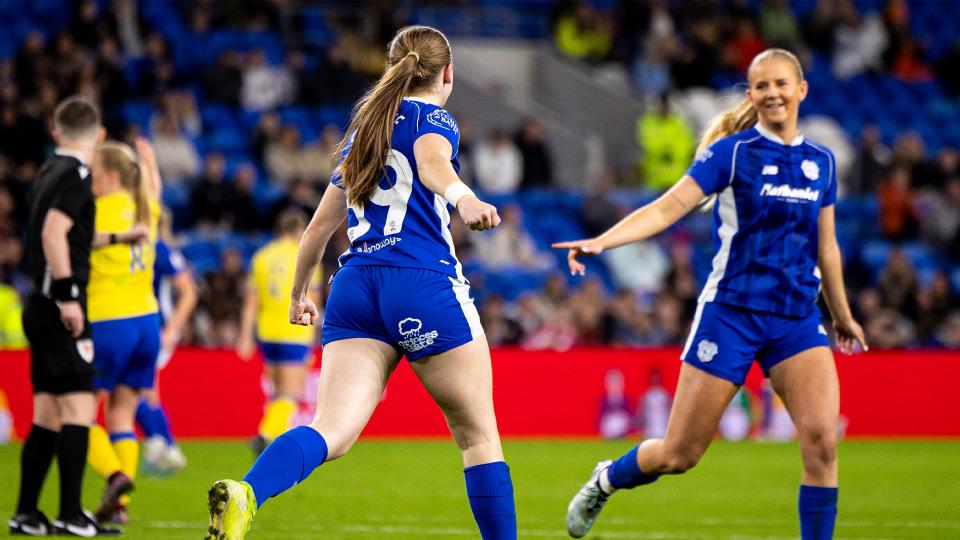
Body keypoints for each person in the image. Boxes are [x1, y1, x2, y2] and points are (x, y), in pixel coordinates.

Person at [205, 25, 516, 540]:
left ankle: (250, 492)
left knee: (330, 429)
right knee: (478, 437)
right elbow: (434, 163)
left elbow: (318, 229)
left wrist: (298, 293)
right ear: (448, 73)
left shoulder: (362, 131)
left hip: (355, 289)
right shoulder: (433, 117)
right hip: (421, 281)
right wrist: (464, 198)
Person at [555, 49, 867, 540]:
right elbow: (666, 208)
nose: (773, 93)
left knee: (823, 443)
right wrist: (601, 241)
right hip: (732, 315)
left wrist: (842, 315)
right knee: (680, 454)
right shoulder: (732, 154)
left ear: (802, 89)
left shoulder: (821, 163)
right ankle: (607, 478)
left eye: (782, 83)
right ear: (751, 95)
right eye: (762, 86)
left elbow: (826, 246)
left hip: (796, 320)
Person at [11, 96, 121, 536]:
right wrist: (69, 294)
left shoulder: (44, 174)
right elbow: (54, 234)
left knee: (47, 413)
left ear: (56, 134)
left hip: (37, 305)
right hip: (60, 306)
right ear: (99, 136)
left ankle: (26, 513)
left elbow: (64, 234)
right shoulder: (77, 173)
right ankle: (72, 515)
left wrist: (117, 236)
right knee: (78, 405)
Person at [84, 137, 162, 525]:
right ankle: (119, 508)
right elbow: (153, 188)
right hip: (148, 322)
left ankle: (115, 478)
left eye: (94, 173)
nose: (90, 180)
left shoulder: (94, 210)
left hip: (107, 320)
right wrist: (148, 162)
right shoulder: (148, 207)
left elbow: (72, 241)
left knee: (79, 414)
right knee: (121, 416)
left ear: (110, 175)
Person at [237, 210, 320, 456]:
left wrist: (245, 335)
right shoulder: (305, 255)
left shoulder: (261, 257)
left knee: (277, 392)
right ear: (298, 231)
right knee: (290, 393)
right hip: (294, 332)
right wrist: (315, 335)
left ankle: (272, 436)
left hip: (267, 332)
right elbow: (312, 297)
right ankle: (265, 434)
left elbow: (251, 301)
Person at [137, 208, 198, 477]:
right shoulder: (147, 246)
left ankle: (164, 445)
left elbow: (188, 291)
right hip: (143, 326)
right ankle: (161, 445)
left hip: (154, 327)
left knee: (132, 389)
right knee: (146, 391)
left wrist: (171, 329)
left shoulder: (156, 247)